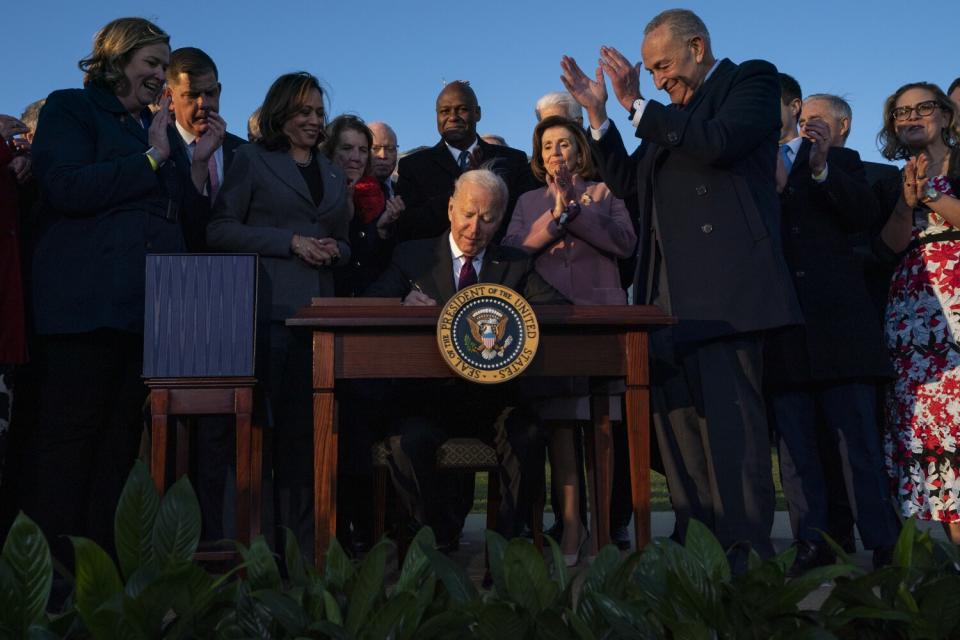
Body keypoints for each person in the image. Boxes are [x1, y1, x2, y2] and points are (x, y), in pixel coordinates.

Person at [560, 8, 802, 562]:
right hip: (663, 300)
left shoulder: (750, 81)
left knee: (732, 433)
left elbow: (718, 142)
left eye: (662, 66)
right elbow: (627, 183)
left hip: (726, 296)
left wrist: (636, 105)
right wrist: (600, 118)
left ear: (697, 46)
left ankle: (745, 555)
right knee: (678, 436)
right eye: (648, 71)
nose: (657, 79)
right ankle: (696, 548)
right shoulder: (669, 118)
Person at [26, 17, 183, 563]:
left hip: (145, 312)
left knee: (119, 444)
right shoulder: (72, 107)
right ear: (117, 59)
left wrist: (192, 156)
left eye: (164, 66)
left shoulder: (156, 126)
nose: (161, 76)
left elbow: (182, 210)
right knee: (69, 443)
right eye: (152, 63)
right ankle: (47, 574)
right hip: (83, 309)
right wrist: (150, 159)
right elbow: (66, 185)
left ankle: (100, 572)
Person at [365, 168, 566, 549]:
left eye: (488, 218)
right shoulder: (413, 256)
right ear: (451, 209)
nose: (475, 227)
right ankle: (434, 545)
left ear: (501, 220)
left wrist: (512, 316)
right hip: (425, 400)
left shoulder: (515, 264)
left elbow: (557, 308)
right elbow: (370, 304)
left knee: (529, 436)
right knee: (406, 444)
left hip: (494, 402)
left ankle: (506, 553)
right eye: (469, 214)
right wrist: (401, 304)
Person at [207, 71, 351, 559]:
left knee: (307, 442)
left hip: (320, 322)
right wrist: (289, 243)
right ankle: (254, 551)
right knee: (257, 443)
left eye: (318, 112)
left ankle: (306, 555)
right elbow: (221, 230)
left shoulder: (332, 172)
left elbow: (345, 238)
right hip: (267, 316)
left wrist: (337, 250)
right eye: (304, 112)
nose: (314, 120)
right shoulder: (251, 159)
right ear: (280, 114)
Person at [766, 73, 898, 574]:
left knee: (859, 445)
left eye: (817, 120)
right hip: (784, 328)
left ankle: (885, 542)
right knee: (798, 451)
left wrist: (819, 169)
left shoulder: (850, 167)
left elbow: (863, 215)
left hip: (841, 331)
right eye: (803, 122)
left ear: (843, 127)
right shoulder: (758, 166)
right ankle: (813, 542)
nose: (807, 127)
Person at [503, 116, 635, 564]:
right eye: (547, 147)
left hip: (601, 321)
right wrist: (554, 217)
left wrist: (576, 211)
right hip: (550, 324)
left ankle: (603, 525)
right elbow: (513, 250)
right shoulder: (524, 201)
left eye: (563, 144)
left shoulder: (605, 192)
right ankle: (572, 524)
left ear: (579, 150)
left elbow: (625, 243)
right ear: (539, 158)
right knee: (560, 425)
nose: (556, 153)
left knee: (601, 426)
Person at [878, 82, 960, 544]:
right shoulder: (895, 179)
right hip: (910, 312)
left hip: (955, 305)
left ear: (946, 116)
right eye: (900, 112)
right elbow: (890, 245)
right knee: (922, 426)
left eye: (922, 108)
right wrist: (905, 202)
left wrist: (930, 195)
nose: (910, 117)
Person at [396, 81, 534, 243]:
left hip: (498, 262)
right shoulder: (413, 166)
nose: (453, 117)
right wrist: (461, 185)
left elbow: (522, 218)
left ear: (477, 113)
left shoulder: (512, 160)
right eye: (444, 111)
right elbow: (408, 227)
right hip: (435, 264)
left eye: (462, 109)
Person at [164, 47, 246, 253]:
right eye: (192, 95)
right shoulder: (158, 150)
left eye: (210, 93)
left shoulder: (245, 152)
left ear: (219, 90)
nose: (203, 103)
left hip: (237, 273)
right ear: (169, 98)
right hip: (175, 271)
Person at [323, 115, 403, 296]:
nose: (356, 158)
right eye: (347, 148)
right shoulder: (317, 192)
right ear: (330, 151)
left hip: (369, 306)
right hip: (324, 303)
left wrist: (382, 231)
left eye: (363, 150)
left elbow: (381, 263)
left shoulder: (379, 194)